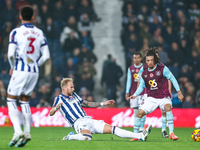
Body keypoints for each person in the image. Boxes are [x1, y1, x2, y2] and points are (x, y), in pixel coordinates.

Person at [50, 78, 152, 141]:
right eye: (71, 87)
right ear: (64, 88)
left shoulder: (75, 95)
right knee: (87, 137)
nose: (73, 89)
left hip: (88, 119)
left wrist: (104, 103)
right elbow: (51, 113)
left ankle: (139, 136)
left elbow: (87, 103)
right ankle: (70, 137)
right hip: (78, 123)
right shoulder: (58, 99)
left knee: (113, 129)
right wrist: (56, 108)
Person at [7, 6, 50, 147]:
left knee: (11, 100)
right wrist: (36, 64)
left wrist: (12, 66)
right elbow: (46, 56)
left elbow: (11, 54)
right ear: (33, 17)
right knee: (25, 101)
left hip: (20, 69)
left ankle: (17, 131)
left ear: (20, 17)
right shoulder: (40, 33)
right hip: (34, 71)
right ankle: (27, 132)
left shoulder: (16, 32)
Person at [128, 48, 184, 141]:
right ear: (145, 61)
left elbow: (173, 79)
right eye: (148, 60)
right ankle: (136, 135)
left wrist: (179, 92)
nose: (150, 62)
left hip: (163, 96)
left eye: (151, 60)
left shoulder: (162, 68)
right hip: (151, 98)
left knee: (167, 108)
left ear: (155, 60)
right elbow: (141, 86)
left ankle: (171, 133)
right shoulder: (144, 71)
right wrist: (135, 94)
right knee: (139, 113)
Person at [137, 49, 172, 138]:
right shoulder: (144, 67)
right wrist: (138, 92)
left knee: (163, 111)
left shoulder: (162, 67)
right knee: (142, 110)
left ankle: (164, 130)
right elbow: (140, 79)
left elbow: (169, 79)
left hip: (161, 93)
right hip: (147, 93)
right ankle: (141, 129)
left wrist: (169, 91)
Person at [125, 52, 147, 140]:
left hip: (143, 93)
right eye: (135, 58)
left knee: (142, 110)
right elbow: (129, 81)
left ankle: (142, 130)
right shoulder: (130, 68)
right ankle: (136, 131)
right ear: (133, 59)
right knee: (135, 111)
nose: (136, 59)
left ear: (141, 58)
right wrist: (127, 91)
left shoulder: (145, 68)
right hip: (134, 93)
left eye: (138, 57)